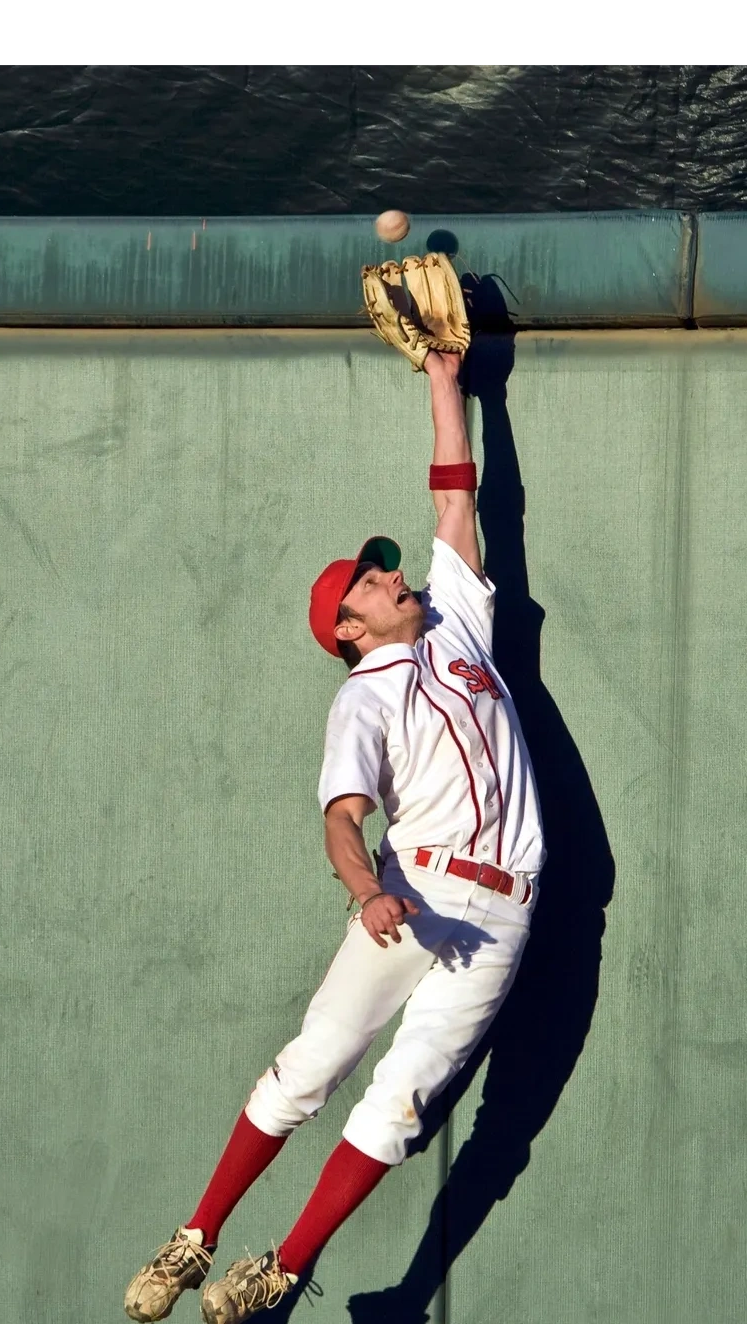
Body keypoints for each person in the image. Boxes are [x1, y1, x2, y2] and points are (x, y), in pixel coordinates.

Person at [124, 347, 546, 1324]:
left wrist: (446, 379)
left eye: (377, 569)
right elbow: (342, 820)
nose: (385, 573)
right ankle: (195, 1238)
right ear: (346, 628)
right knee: (312, 1062)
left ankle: (285, 1265)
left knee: (398, 1106)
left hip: (502, 912)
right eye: (364, 580)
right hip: (413, 897)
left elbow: (455, 500)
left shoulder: (456, 629)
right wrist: (365, 891)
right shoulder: (360, 701)